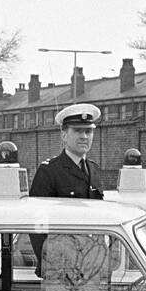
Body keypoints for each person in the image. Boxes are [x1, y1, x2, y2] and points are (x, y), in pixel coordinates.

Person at [27, 103, 104, 274]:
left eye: (88, 131)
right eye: (77, 131)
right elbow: (37, 224)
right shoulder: (49, 171)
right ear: (63, 135)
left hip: (92, 264)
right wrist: (49, 262)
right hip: (60, 268)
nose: (84, 136)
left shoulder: (94, 169)